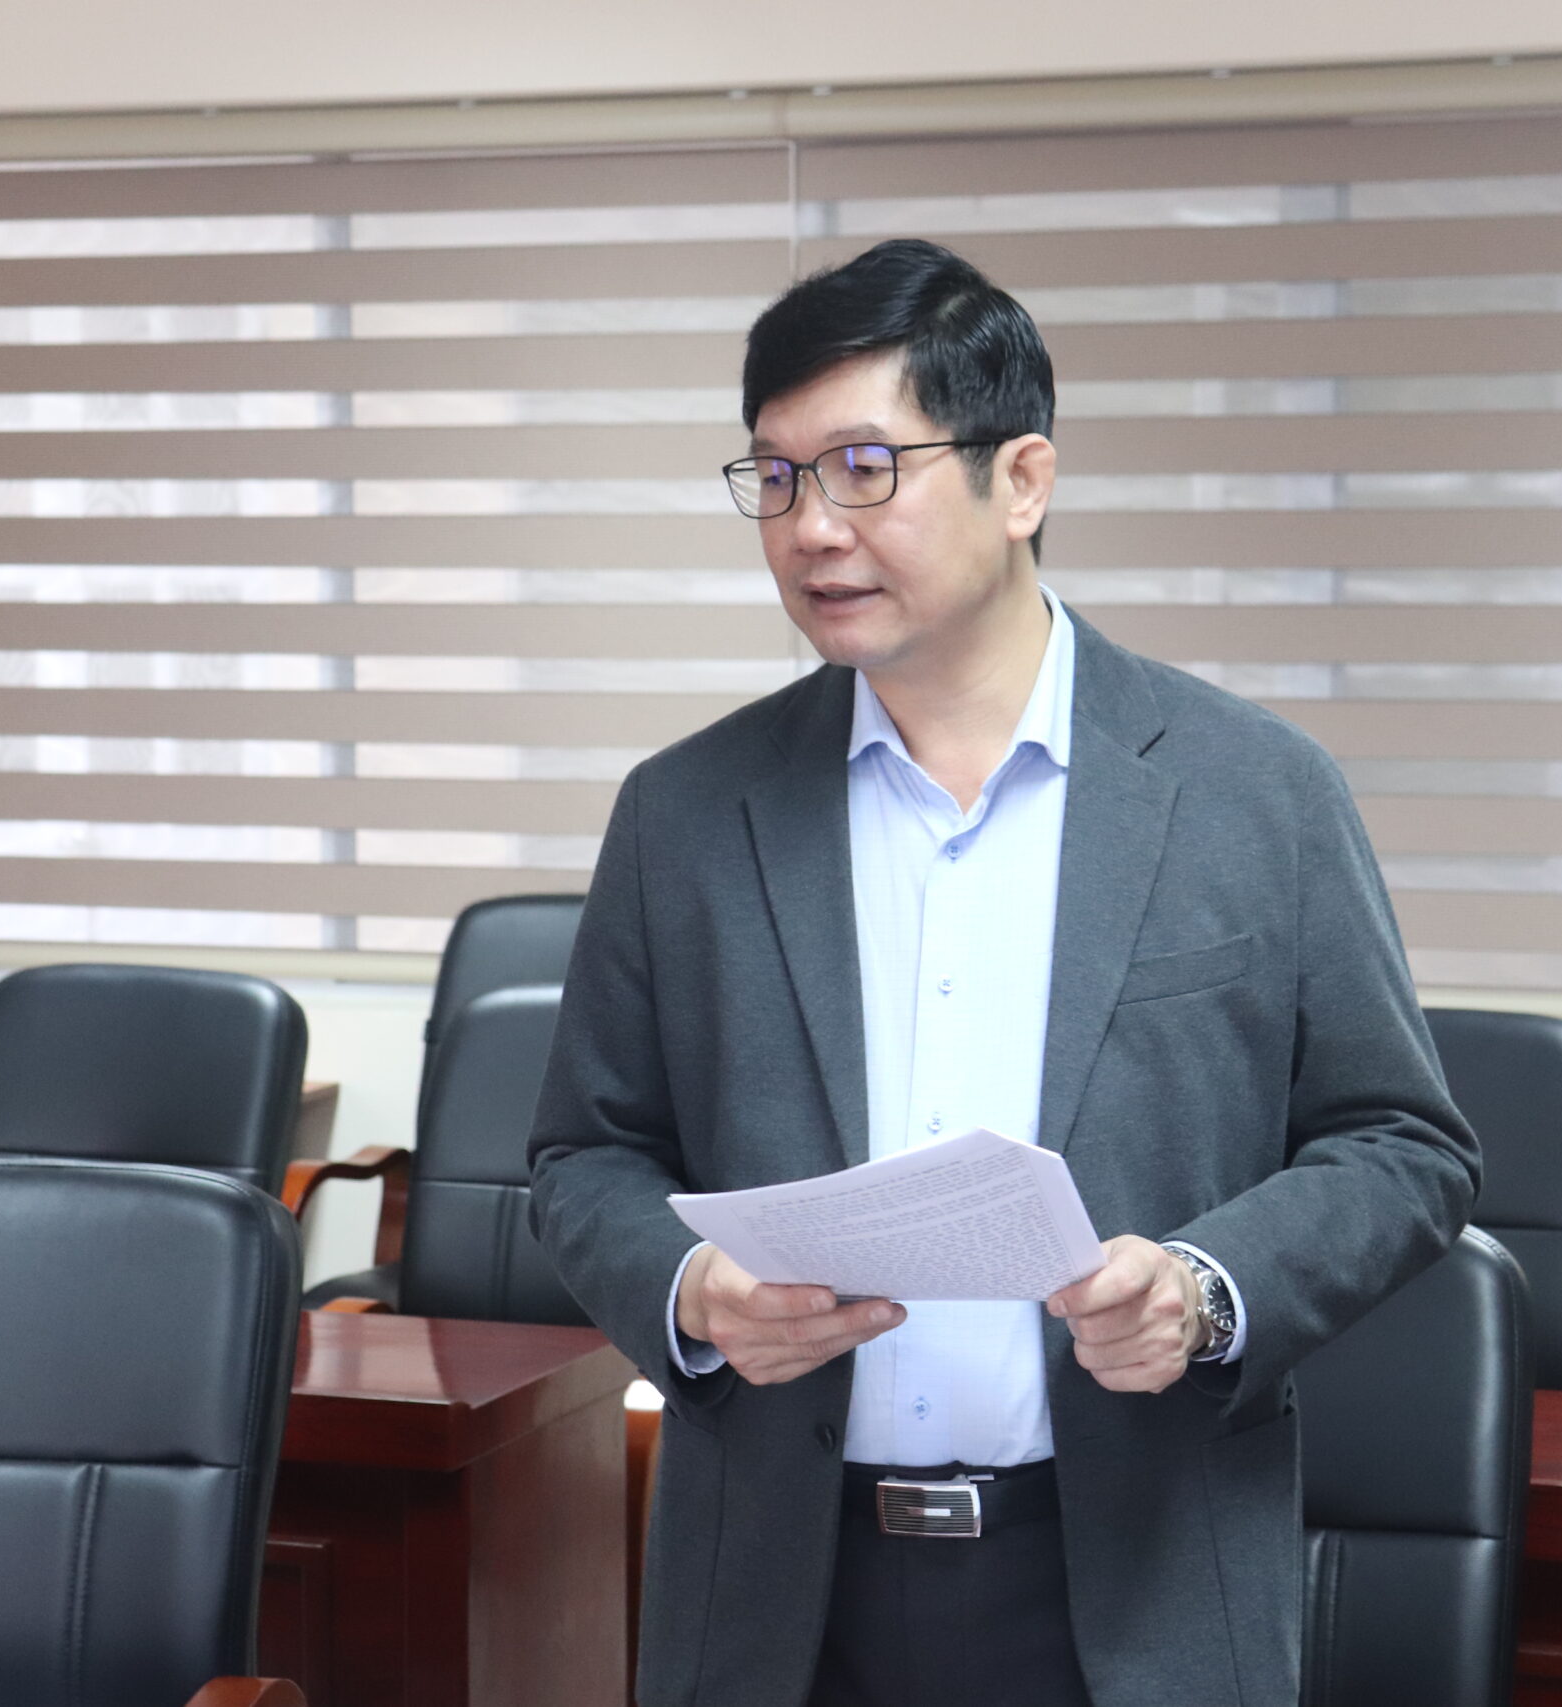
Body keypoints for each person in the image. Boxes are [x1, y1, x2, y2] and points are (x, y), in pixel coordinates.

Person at [528, 237, 1478, 1707]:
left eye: (863, 468)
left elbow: (1402, 1145)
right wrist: (697, 1289)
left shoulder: (1254, 792)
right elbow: (585, 1155)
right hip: (783, 1596)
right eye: (775, 478)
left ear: (1021, 479)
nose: (811, 528)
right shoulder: (687, 812)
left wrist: (1208, 1291)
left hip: (1136, 1588)